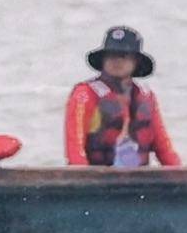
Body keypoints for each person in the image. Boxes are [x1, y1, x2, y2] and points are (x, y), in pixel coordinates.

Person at [65, 27, 180, 171]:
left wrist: (184, 180)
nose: (117, 61)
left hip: (139, 181)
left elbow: (164, 148)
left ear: (136, 61)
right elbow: (74, 148)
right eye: (112, 55)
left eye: (124, 55)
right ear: (103, 60)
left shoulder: (146, 97)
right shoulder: (84, 95)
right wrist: (82, 181)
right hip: (97, 181)